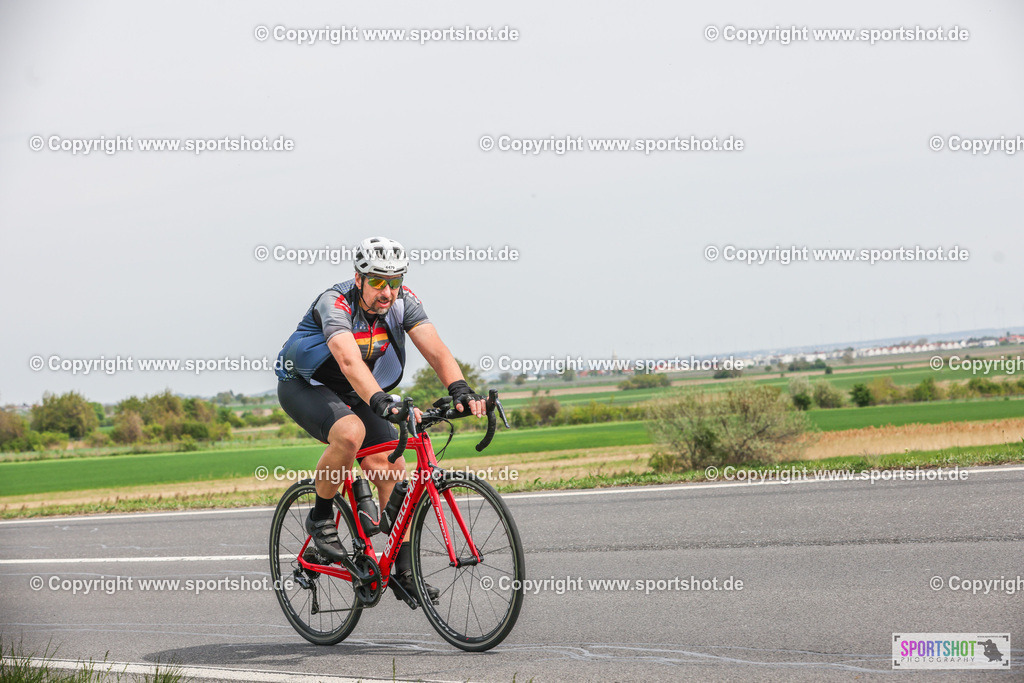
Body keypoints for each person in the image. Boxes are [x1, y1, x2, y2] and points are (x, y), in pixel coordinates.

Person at [275, 236, 486, 601]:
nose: (386, 291)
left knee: (390, 466)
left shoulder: (404, 303)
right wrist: (382, 402)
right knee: (350, 431)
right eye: (377, 281)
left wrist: (461, 389)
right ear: (358, 279)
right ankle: (321, 516)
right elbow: (347, 360)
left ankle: (403, 569)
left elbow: (436, 349)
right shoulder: (335, 303)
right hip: (306, 384)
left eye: (394, 281)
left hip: (358, 390)